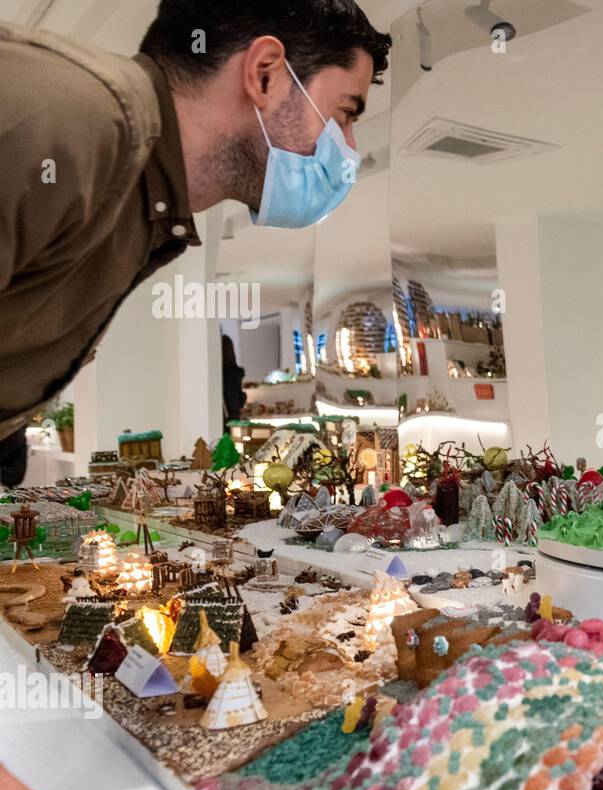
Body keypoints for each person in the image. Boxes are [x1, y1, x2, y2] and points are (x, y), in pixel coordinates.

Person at [0, 0, 391, 467]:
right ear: (265, 74)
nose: (348, 149)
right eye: (346, 113)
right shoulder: (70, 124)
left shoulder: (143, 198)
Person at [222, 335, 247, 424]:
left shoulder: (219, 373)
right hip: (234, 416)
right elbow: (239, 394)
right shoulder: (237, 372)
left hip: (223, 414)